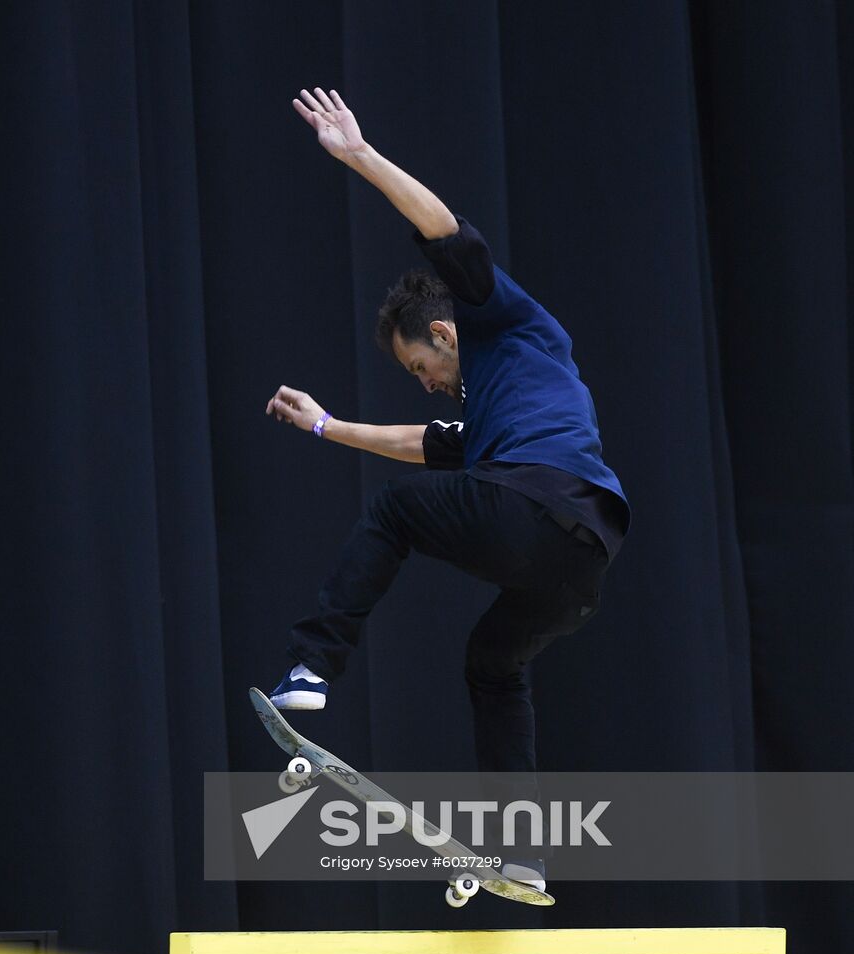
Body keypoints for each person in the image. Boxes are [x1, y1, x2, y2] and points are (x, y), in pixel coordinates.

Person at [265, 87, 630, 891]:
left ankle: (311, 668)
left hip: (536, 507)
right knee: (493, 666)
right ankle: (523, 850)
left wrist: (358, 155)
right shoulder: (513, 401)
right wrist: (328, 428)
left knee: (394, 512)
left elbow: (445, 230)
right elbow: (425, 446)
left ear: (441, 333)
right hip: (583, 559)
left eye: (421, 368)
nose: (427, 384)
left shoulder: (501, 321)